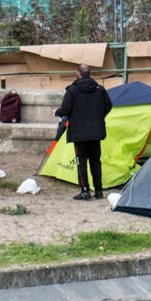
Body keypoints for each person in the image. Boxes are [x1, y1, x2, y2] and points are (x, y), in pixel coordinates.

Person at [54, 63, 112, 200]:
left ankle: (85, 191)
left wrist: (56, 112)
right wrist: (98, 117)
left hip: (79, 133)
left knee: (81, 162)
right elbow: (108, 106)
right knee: (95, 162)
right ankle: (98, 191)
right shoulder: (99, 89)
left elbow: (65, 110)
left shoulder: (72, 90)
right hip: (96, 132)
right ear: (89, 73)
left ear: (78, 73)